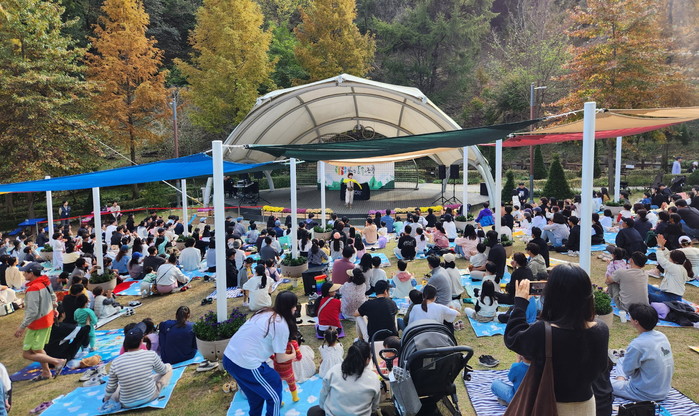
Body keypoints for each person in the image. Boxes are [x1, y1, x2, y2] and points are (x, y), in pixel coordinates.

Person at [504, 265, 609, 414]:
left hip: (550, 405)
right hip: (586, 404)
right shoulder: (601, 329)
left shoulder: (543, 331)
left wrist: (520, 304)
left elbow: (512, 338)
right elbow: (601, 367)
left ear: (553, 295)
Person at [223, 291, 298, 416]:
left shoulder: (264, 312)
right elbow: (280, 358)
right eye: (295, 305)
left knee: (255, 394)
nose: (295, 309)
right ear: (290, 307)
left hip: (229, 357)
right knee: (274, 389)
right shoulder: (281, 324)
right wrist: (293, 355)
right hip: (245, 363)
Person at [612, 303, 674, 401]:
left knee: (601, 383)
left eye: (630, 316)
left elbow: (628, 371)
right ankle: (621, 380)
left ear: (636, 321)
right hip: (663, 389)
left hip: (644, 393)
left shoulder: (637, 345)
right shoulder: (661, 336)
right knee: (621, 360)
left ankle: (620, 382)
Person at [14, 262, 65, 381]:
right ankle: (46, 372)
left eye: (25, 272)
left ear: (31, 273)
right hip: (46, 319)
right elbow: (53, 297)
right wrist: (54, 309)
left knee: (27, 353)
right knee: (37, 349)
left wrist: (22, 327)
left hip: (38, 323)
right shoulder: (45, 282)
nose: (23, 274)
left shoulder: (34, 288)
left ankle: (57, 362)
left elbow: (32, 312)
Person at [103, 322, 173, 409]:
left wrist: (106, 399)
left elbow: (111, 387)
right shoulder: (151, 355)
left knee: (118, 387)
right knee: (168, 368)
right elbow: (163, 370)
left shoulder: (116, 362)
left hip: (126, 403)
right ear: (141, 341)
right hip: (150, 396)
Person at [307, 340, 381, 416]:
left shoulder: (334, 371)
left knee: (313, 411)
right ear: (368, 360)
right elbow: (374, 406)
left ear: (348, 356)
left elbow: (323, 396)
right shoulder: (373, 378)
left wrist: (326, 409)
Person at [648, 235, 692, 302]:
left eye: (670, 258)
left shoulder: (675, 268)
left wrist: (659, 247)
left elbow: (661, 260)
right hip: (667, 294)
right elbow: (667, 255)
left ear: (675, 261)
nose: (668, 258)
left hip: (670, 298)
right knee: (646, 286)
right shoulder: (679, 266)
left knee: (645, 294)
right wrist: (662, 247)